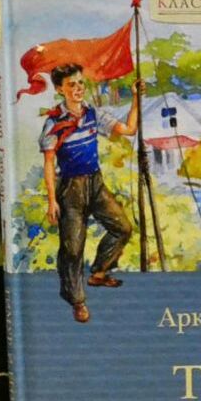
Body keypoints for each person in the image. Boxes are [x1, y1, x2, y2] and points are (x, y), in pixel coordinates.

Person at [39, 64, 138, 323]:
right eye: (71, 85)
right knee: (72, 249)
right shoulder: (53, 122)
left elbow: (129, 130)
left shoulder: (93, 114)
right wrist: (52, 200)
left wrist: (136, 98)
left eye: (80, 83)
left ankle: (99, 272)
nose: (78, 89)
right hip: (70, 189)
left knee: (123, 228)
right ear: (60, 89)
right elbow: (49, 163)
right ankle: (77, 300)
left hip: (95, 183)